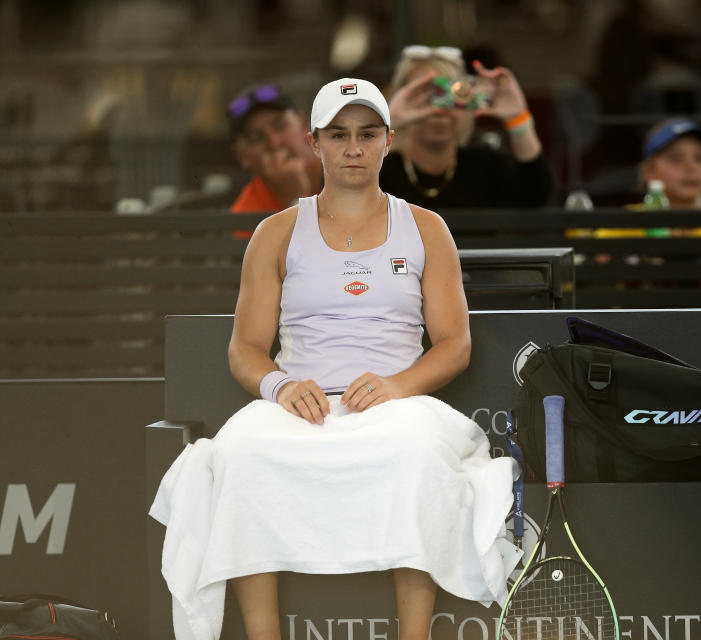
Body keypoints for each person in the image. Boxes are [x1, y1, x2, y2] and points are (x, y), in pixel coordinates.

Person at [150, 78, 517, 640]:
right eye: (339, 135)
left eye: (367, 134)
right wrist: (278, 386)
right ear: (314, 143)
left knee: (414, 452)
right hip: (303, 401)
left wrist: (398, 386)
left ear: (388, 140)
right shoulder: (274, 232)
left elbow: (454, 344)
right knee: (242, 452)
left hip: (397, 401)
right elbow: (245, 348)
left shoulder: (426, 228)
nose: (353, 148)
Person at [378, 45, 553, 209]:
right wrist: (388, 121)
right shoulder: (378, 171)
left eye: (450, 94)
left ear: (469, 98)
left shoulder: (486, 169)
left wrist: (518, 119)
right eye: (425, 94)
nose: (439, 109)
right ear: (401, 97)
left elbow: (536, 196)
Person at [228, 84, 325, 213]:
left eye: (280, 126)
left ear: (303, 125)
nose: (274, 143)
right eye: (256, 137)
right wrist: (295, 200)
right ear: (242, 156)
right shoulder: (245, 212)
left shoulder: (346, 170)